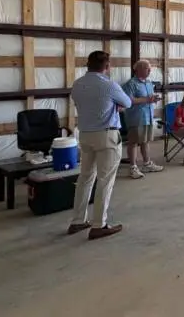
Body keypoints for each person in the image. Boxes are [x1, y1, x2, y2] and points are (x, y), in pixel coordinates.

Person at [67, 51, 131, 240]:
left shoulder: (78, 84)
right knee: (105, 180)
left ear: (88, 65)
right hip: (106, 135)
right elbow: (126, 102)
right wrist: (114, 106)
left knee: (85, 178)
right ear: (107, 66)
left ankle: (77, 220)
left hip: (85, 135)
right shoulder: (109, 85)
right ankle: (99, 224)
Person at [122, 59, 164, 179]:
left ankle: (147, 163)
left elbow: (148, 98)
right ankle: (133, 167)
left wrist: (154, 99)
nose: (149, 70)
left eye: (150, 68)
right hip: (136, 118)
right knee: (133, 142)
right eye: (147, 68)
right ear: (138, 70)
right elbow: (128, 101)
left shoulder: (149, 83)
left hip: (148, 117)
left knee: (146, 141)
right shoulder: (130, 84)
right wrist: (147, 99)